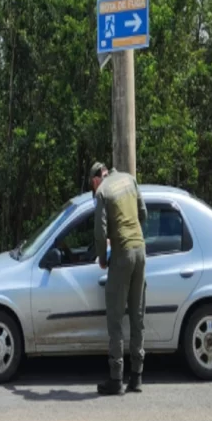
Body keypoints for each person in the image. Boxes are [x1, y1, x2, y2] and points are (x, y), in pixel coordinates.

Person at [90, 161, 147, 396]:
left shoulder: (103, 191)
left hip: (122, 255)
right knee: (137, 314)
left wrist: (103, 257)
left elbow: (100, 231)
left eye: (92, 186)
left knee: (115, 317)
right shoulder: (129, 179)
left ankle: (116, 379)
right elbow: (143, 213)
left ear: (95, 180)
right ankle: (137, 377)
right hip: (140, 250)